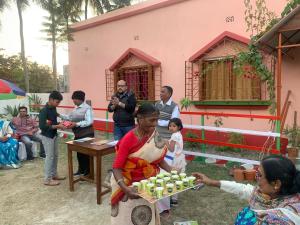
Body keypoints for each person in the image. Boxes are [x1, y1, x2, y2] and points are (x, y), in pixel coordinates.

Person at [111, 103, 173, 225]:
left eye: (157, 120)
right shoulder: (129, 138)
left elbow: (158, 159)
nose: (155, 123)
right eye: (152, 120)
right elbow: (117, 168)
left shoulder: (154, 134)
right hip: (128, 185)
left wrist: (174, 173)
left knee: (146, 216)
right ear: (140, 118)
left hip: (148, 185)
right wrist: (125, 188)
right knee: (129, 217)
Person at [193, 155, 300, 225]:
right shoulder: (267, 195)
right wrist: (211, 182)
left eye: (259, 175)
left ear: (276, 184)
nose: (255, 178)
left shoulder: (283, 219)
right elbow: (243, 189)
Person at [60, 90, 94, 176]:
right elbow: (70, 117)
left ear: (80, 99)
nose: (73, 101)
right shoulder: (75, 108)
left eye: (74, 99)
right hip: (78, 134)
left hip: (87, 134)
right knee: (79, 153)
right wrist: (59, 115)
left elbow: (89, 121)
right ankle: (81, 170)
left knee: (86, 153)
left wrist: (76, 124)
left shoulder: (87, 108)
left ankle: (88, 172)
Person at [39, 91, 66, 186]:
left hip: (54, 135)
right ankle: (47, 179)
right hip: (47, 136)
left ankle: (54, 174)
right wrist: (58, 126)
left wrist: (61, 120)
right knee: (49, 157)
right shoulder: (44, 111)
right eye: (57, 102)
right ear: (50, 99)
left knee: (55, 155)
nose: (58, 104)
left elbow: (54, 117)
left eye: (59, 102)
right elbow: (42, 126)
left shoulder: (53, 108)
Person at [165, 118, 186, 206]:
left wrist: (166, 142)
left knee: (171, 179)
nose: (171, 127)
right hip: (180, 158)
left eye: (174, 126)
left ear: (179, 127)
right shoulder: (178, 134)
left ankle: (171, 199)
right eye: (170, 125)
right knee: (176, 179)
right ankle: (174, 199)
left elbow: (171, 148)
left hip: (175, 161)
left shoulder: (174, 136)